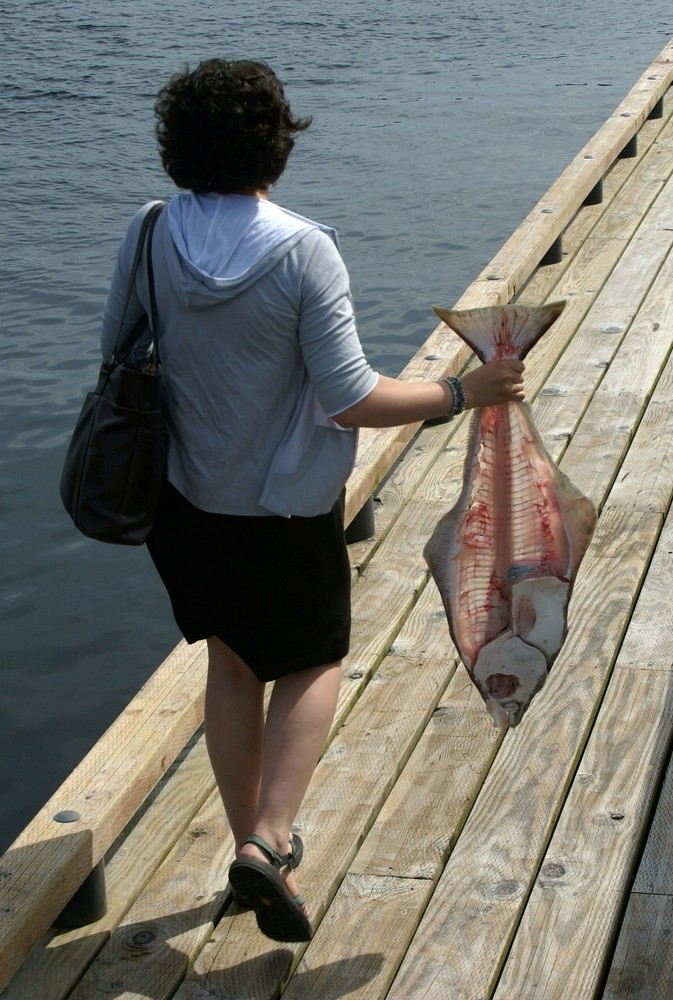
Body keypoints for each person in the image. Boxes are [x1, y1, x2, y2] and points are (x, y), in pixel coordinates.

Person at [101, 58, 525, 944]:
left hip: (182, 500)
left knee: (230, 662)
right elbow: (350, 399)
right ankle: (269, 839)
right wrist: (463, 394)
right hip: (284, 506)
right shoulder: (301, 248)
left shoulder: (147, 232)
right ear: (277, 143)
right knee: (312, 660)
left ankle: (245, 844)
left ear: (176, 146)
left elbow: (119, 356)